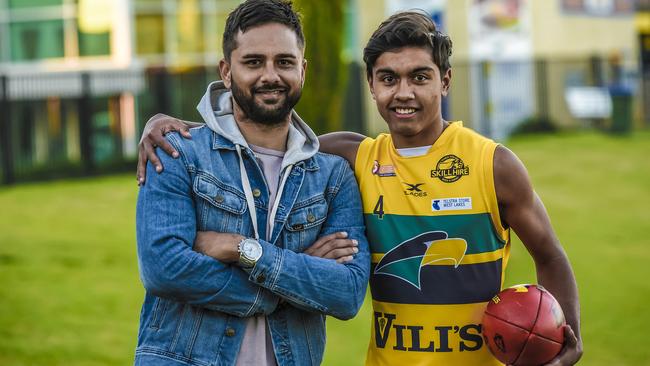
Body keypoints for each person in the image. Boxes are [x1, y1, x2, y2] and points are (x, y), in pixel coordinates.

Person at [138, 10, 582, 366]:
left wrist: (568, 334)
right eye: (388, 78)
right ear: (371, 85)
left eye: (420, 77)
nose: (403, 92)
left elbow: (550, 254)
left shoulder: (493, 163)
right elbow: (252, 133)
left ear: (445, 81)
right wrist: (171, 128)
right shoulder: (355, 156)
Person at [134, 1, 370, 365]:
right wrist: (289, 279)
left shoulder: (332, 177)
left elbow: (347, 293)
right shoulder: (176, 151)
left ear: (302, 70)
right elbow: (164, 269)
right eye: (254, 62)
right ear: (227, 72)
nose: (270, 75)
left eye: (285, 62)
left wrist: (241, 248)